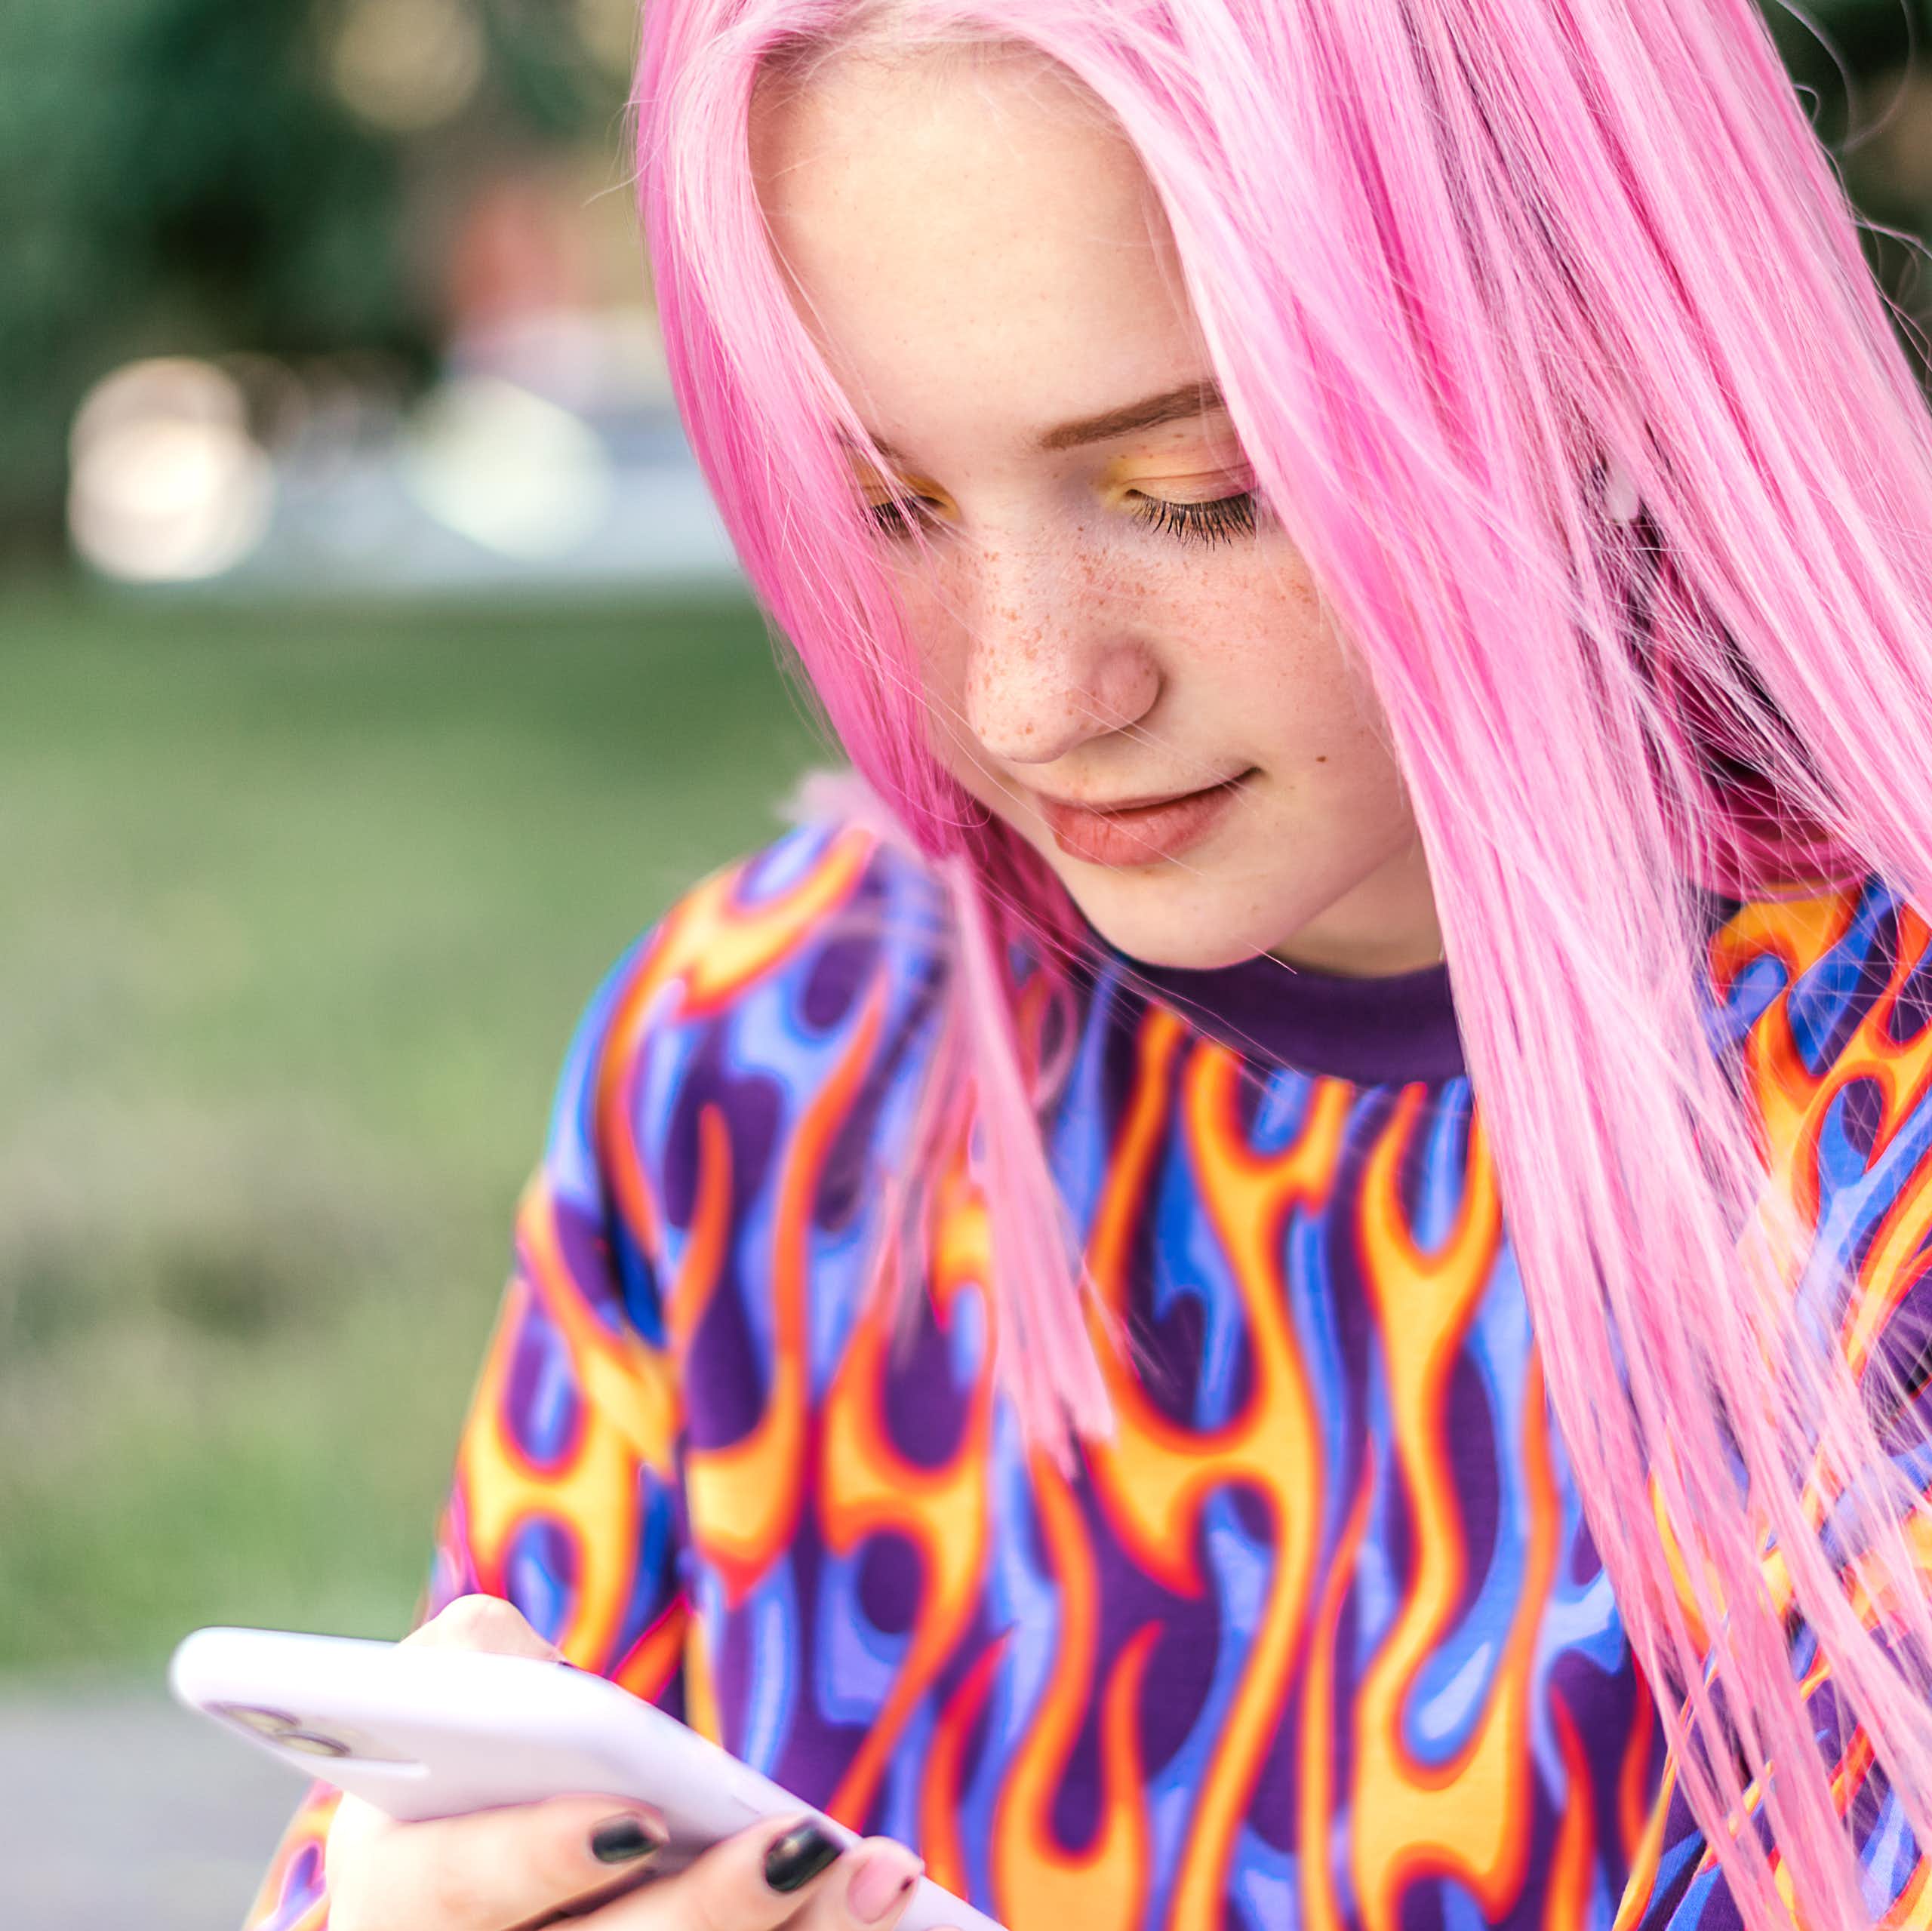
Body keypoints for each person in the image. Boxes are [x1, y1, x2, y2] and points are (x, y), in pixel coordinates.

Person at [243, 2, 1932, 1928]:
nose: (1031, 692)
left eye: (1198, 487)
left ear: (1606, 347)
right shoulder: (758, 1057)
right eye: (883, 502)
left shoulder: (1859, 1129)